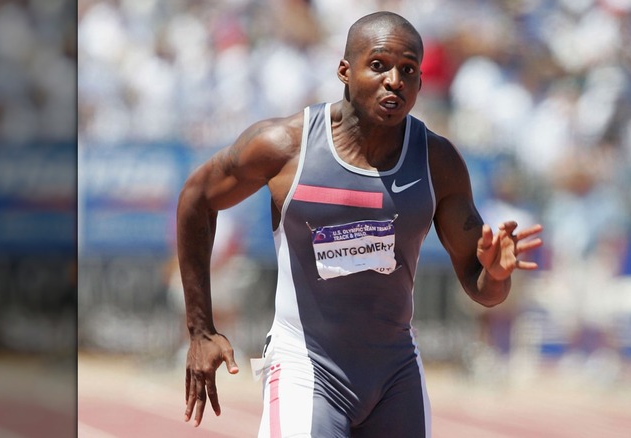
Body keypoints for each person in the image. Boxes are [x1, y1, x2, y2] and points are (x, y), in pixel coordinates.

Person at [177, 11, 543, 437]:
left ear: (421, 84)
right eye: (379, 65)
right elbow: (196, 200)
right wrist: (200, 329)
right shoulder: (284, 147)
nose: (394, 81)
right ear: (344, 71)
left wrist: (496, 273)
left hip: (395, 375)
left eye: (408, 70)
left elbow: (484, 290)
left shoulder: (437, 162)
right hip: (304, 366)